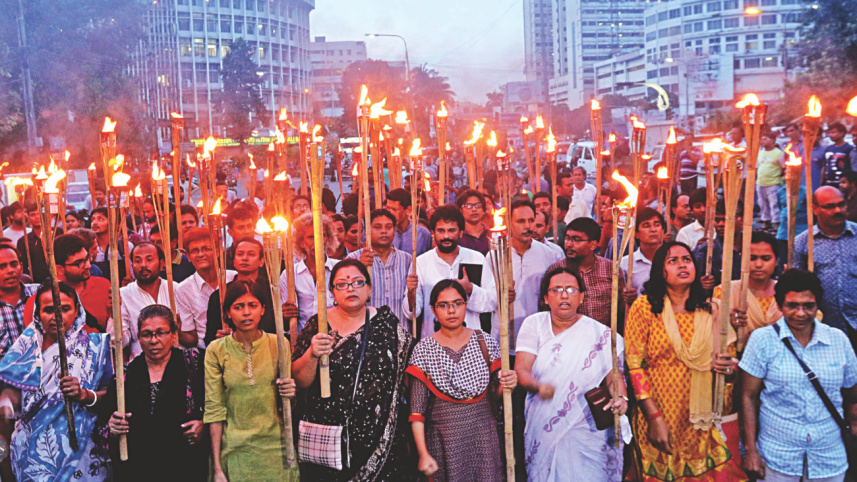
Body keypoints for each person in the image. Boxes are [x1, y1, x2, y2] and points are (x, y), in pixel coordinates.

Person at [625, 242, 746, 481]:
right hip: (660, 414)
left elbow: (731, 363)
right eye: (673, 261)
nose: (682, 264)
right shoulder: (645, 308)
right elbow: (635, 365)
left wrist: (729, 369)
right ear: (661, 271)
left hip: (703, 417)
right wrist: (653, 417)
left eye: (687, 259)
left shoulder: (712, 308)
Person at [292, 259, 413, 480]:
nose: (350, 288)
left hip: (379, 434)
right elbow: (299, 381)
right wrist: (312, 353)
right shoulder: (318, 325)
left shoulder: (387, 324)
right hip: (329, 433)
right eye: (342, 284)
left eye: (358, 282)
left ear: (369, 289)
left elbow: (407, 373)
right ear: (332, 292)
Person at [740, 269, 857, 482]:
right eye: (792, 305)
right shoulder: (762, 340)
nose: (801, 313)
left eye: (808, 306)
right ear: (779, 305)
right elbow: (748, 396)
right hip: (777, 457)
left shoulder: (838, 340)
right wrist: (751, 451)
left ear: (818, 305)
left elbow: (853, 391)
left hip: (828, 456)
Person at [515, 267, 629, 481]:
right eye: (557, 289)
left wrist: (621, 398)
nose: (564, 295)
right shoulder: (534, 324)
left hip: (586, 428)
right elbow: (521, 369)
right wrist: (538, 386)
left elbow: (614, 376)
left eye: (570, 289)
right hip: (543, 422)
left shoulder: (600, 333)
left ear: (582, 297)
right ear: (546, 298)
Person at [0, 282, 113, 480]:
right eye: (49, 310)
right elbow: (10, 398)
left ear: (77, 309)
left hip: (83, 453)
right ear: (38, 312)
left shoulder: (96, 348)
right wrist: (8, 404)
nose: (57, 317)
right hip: (32, 455)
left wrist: (84, 395)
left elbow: (111, 397)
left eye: (65, 309)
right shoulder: (25, 349)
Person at [407, 279, 517, 481]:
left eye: (457, 303)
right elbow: (417, 412)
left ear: (466, 306)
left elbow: (498, 395)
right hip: (444, 441)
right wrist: (423, 454)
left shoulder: (485, 342)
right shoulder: (423, 350)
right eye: (443, 305)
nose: (451, 310)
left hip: (484, 438)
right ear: (433, 310)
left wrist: (508, 384)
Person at [204, 280, 299, 482]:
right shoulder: (216, 350)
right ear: (228, 313)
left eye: (252, 305)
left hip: (277, 450)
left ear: (263, 310)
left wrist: (291, 391)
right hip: (235, 451)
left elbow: (288, 403)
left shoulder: (279, 343)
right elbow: (214, 408)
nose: (246, 312)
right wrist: (218, 467)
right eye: (238, 307)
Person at [106, 305, 208, 481]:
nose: (154, 340)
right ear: (138, 337)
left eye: (161, 333)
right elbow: (105, 417)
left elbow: (217, 405)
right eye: (147, 334)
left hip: (185, 467)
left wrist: (203, 424)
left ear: (174, 335)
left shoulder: (195, 364)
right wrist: (112, 426)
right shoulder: (124, 376)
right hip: (138, 469)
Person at [405, 205, 497, 339]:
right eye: (441, 231)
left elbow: (492, 302)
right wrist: (410, 293)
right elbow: (411, 313)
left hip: (470, 341)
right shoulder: (420, 263)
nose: (446, 236)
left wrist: (470, 289)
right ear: (433, 233)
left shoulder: (476, 258)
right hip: (434, 342)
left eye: (451, 230)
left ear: (460, 232)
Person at [795, 186, 857, 350]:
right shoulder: (803, 242)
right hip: (822, 326)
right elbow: (796, 286)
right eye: (830, 206)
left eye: (841, 205)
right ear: (815, 209)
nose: (838, 210)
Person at [548, 217, 625, 328]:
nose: (569, 244)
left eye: (576, 239)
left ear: (593, 245)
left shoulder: (611, 269)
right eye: (567, 238)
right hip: (568, 337)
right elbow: (546, 307)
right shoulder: (556, 270)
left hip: (603, 337)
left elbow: (620, 306)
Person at [713, 231, 782, 352]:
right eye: (752, 258)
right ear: (742, 259)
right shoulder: (725, 291)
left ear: (776, 261)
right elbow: (714, 333)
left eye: (766, 259)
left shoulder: (787, 293)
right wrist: (731, 324)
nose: (759, 264)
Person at [346, 209, 412, 328]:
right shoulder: (354, 259)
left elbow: (412, 303)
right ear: (367, 231)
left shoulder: (407, 259)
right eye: (377, 227)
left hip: (400, 332)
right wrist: (360, 268)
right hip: (366, 332)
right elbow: (346, 295)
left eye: (388, 227)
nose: (383, 231)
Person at [205, 238, 275, 345]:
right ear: (234, 261)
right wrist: (218, 337)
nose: (245, 258)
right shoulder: (220, 295)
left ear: (261, 261)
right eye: (240, 254)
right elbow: (209, 338)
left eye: (251, 254)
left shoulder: (273, 291)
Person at [176, 227, 237, 349]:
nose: (200, 254)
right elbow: (191, 337)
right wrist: (178, 332)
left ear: (217, 251)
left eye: (206, 249)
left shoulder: (234, 277)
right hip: (207, 350)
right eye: (194, 251)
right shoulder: (183, 289)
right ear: (188, 256)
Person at [279, 212, 338, 334]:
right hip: (301, 337)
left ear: (328, 239)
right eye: (311, 237)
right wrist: (285, 312)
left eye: (322, 235)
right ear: (301, 242)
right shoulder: (290, 274)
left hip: (335, 336)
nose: (318, 241)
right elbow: (284, 312)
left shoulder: (339, 268)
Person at [119, 242, 178, 359]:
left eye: (149, 260)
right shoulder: (123, 294)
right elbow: (120, 342)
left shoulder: (175, 289)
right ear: (132, 265)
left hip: (175, 360)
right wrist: (113, 317)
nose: (143, 265)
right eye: (138, 261)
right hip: (141, 363)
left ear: (161, 264)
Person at [694, 199, 743, 287]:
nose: (720, 224)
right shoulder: (704, 252)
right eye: (717, 220)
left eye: (725, 219)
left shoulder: (755, 248)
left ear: (742, 220)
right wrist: (702, 286)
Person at [621, 207, 666, 300]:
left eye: (657, 225)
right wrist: (627, 297)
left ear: (663, 231)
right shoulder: (625, 263)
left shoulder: (672, 259)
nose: (653, 229)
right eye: (646, 226)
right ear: (636, 233)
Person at [386, 188, 432, 257]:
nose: (390, 213)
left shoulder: (423, 234)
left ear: (408, 210)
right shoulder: (384, 234)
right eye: (388, 209)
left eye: (394, 209)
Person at [757, 131, 785, 231]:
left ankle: (776, 223)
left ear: (772, 140)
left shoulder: (779, 153)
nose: (762, 141)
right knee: (762, 204)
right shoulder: (760, 152)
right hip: (760, 182)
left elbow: (783, 168)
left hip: (773, 183)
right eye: (762, 139)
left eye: (765, 139)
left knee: (774, 204)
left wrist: (778, 178)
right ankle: (766, 222)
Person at [18, 202, 50, 283]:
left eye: (39, 213)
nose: (37, 217)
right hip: (36, 281)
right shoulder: (24, 241)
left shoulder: (56, 233)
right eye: (32, 215)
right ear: (28, 217)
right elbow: (23, 265)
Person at [456, 189, 491, 255]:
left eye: (478, 205)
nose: (474, 209)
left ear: (483, 210)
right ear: (461, 210)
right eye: (469, 206)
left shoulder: (491, 234)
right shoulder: (458, 236)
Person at [821, 122, 853, 187]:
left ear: (842, 133)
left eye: (833, 132)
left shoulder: (849, 149)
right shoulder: (828, 148)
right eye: (829, 133)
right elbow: (824, 167)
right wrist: (822, 182)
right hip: (828, 184)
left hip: (841, 185)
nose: (830, 135)